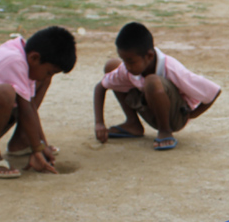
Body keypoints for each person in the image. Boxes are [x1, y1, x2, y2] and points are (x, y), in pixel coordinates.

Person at [0, 26, 76, 179]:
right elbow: (26, 109)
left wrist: (41, 144)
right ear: (34, 58)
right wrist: (37, 150)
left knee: (40, 81)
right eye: (49, 71)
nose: (48, 76)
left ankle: (20, 143)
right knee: (5, 92)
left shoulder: (26, 56)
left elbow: (30, 106)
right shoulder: (14, 60)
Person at [94, 22, 221, 151]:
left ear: (149, 56)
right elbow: (100, 87)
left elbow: (213, 91)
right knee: (112, 66)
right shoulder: (128, 69)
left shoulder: (172, 68)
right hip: (150, 109)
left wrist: (192, 115)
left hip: (174, 118)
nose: (127, 66)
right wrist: (99, 123)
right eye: (124, 60)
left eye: (131, 61)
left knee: (152, 81)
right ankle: (133, 124)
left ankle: (165, 131)